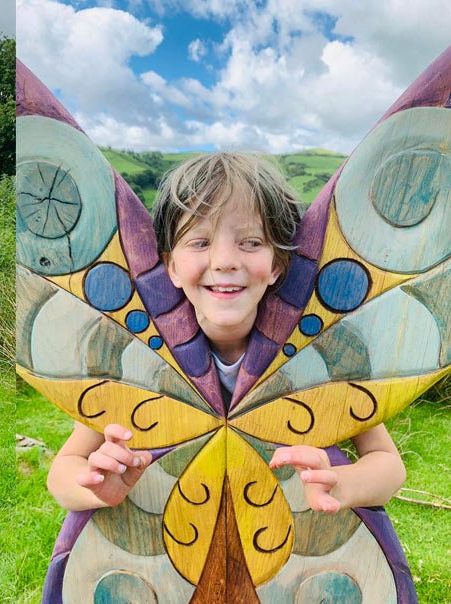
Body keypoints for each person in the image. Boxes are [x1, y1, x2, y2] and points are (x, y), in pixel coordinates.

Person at [45, 152, 406, 513]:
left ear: (277, 265)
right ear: (171, 267)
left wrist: (341, 484)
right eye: (200, 242)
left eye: (250, 242)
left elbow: (388, 463)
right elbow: (62, 471)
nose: (224, 261)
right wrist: (97, 487)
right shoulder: (134, 354)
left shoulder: (322, 352)